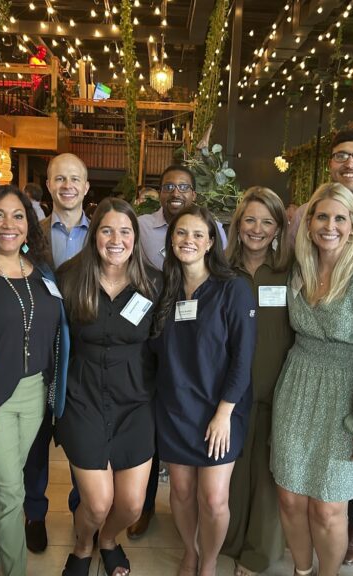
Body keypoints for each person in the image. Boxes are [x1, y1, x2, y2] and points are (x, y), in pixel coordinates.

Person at [271, 182, 353, 576]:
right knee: (291, 498)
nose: (330, 225)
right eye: (322, 216)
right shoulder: (299, 269)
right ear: (308, 223)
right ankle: (301, 569)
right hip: (296, 387)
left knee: (328, 506)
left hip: (347, 395)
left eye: (340, 218)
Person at [0, 184, 68, 576]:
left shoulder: (40, 272)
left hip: (34, 394)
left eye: (18, 216)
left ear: (29, 225)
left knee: (2, 489)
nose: (9, 224)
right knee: (11, 494)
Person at [55, 198, 160, 576]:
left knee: (131, 506)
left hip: (136, 402)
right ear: (94, 234)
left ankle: (108, 540)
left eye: (125, 231)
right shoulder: (69, 277)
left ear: (136, 237)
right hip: (82, 398)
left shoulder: (154, 282)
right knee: (97, 503)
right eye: (107, 230)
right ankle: (84, 545)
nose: (116, 239)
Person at [152, 204, 257, 576]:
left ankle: (209, 561)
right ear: (171, 239)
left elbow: (243, 359)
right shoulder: (162, 288)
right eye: (181, 233)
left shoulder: (233, 289)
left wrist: (224, 413)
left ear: (212, 241)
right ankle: (190, 551)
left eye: (198, 234)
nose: (189, 241)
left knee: (213, 498)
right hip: (175, 407)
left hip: (220, 411)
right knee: (180, 492)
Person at [130, 164, 228, 540]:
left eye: (183, 187)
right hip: (165, 377)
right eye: (168, 185)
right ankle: (147, 509)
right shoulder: (143, 235)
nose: (175, 192)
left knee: (209, 492)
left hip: (208, 390)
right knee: (169, 470)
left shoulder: (223, 286)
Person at [221, 187, 294, 576]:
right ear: (237, 224)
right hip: (228, 397)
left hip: (275, 391)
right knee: (230, 471)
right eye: (249, 219)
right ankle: (227, 540)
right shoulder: (220, 269)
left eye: (267, 221)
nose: (257, 228)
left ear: (279, 227)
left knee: (268, 477)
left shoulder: (292, 269)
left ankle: (259, 552)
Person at [24, 152, 91, 553]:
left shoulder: (103, 232)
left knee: (81, 439)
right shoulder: (31, 234)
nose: (67, 185)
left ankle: (81, 508)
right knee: (36, 437)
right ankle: (35, 512)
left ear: (85, 186)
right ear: (49, 185)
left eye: (75, 178)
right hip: (39, 348)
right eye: (59, 178)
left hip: (85, 351)